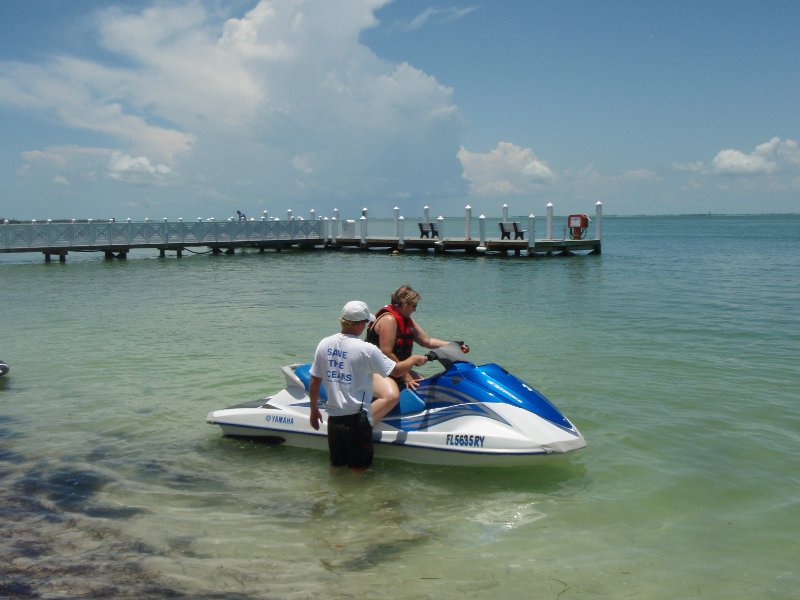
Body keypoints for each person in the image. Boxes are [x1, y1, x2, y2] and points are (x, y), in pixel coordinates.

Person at [308, 300, 427, 471]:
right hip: (357, 421)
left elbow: (315, 381)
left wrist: (314, 411)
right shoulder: (367, 349)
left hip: (334, 419)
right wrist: (413, 359)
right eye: (365, 323)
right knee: (358, 471)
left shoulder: (324, 344)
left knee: (337, 466)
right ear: (359, 325)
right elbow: (396, 371)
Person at [366, 284, 468, 393]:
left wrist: (454, 345)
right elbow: (386, 354)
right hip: (378, 369)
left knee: (426, 384)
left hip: (397, 369)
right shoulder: (389, 320)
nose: (415, 310)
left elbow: (427, 341)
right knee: (407, 391)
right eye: (414, 306)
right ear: (405, 304)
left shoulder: (406, 319)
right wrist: (406, 377)